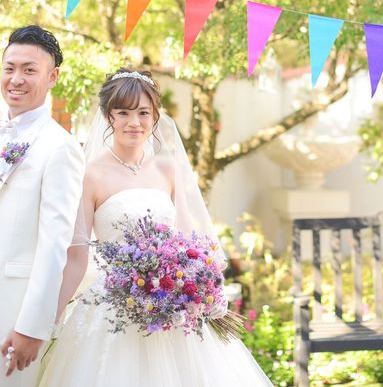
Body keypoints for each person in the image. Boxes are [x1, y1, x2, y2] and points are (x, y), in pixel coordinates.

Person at [39, 68, 272, 386]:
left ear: (155, 116)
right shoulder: (91, 174)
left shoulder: (167, 169)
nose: (134, 122)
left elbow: (189, 241)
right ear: (108, 116)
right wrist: (49, 318)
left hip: (172, 305)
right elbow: (76, 257)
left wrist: (205, 288)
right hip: (114, 308)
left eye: (143, 112)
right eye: (123, 112)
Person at [0, 25, 85, 386]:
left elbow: (55, 244)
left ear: (53, 77)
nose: (16, 79)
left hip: (11, 318)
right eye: (10, 68)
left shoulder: (60, 147)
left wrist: (33, 327)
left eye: (29, 70)